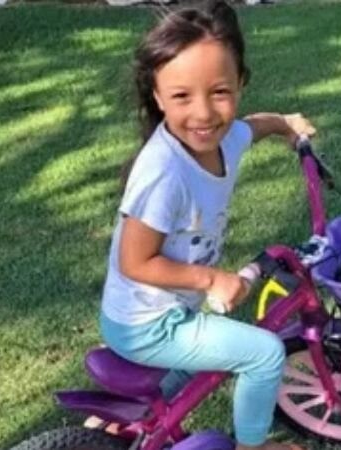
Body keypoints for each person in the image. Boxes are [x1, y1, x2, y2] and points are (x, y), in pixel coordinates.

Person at [99, 1, 315, 449]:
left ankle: (128, 418)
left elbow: (252, 127)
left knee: (196, 367)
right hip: (148, 325)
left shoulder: (224, 137)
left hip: (166, 310)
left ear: (240, 83)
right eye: (182, 96)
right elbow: (135, 261)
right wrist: (211, 278)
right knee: (263, 353)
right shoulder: (164, 173)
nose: (203, 114)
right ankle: (254, 446)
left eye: (219, 92)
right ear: (157, 96)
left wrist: (286, 124)